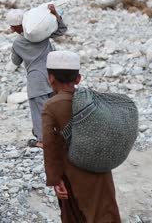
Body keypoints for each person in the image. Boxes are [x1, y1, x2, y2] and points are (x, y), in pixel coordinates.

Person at [42, 51, 121, 222]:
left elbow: (50, 145)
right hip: (101, 170)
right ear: (78, 79)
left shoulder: (51, 106)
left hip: (71, 174)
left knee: (75, 214)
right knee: (106, 212)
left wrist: (56, 179)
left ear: (50, 78)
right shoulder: (92, 99)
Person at [6, 5, 67, 148]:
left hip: (36, 79)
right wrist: (55, 14)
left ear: (13, 28)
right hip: (53, 75)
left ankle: (42, 140)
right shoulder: (42, 35)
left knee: (39, 110)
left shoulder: (18, 43)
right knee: (55, 106)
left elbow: (15, 61)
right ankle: (61, 134)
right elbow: (61, 30)